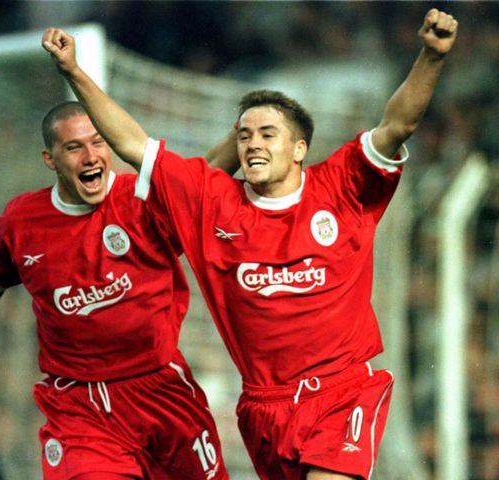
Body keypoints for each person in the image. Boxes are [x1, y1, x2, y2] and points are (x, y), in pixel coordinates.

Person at [40, 7, 458, 479]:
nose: (253, 143)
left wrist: (431, 56)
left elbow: (397, 125)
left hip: (341, 393)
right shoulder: (212, 202)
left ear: (299, 148)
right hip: (264, 406)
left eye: (267, 134)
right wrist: (74, 72)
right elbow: (134, 145)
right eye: (244, 135)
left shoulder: (342, 185)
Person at [0, 99, 238, 477]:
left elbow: (200, 182)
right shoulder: (22, 222)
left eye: (98, 142)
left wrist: (242, 134)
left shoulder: (140, 200)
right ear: (50, 159)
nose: (90, 157)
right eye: (74, 147)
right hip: (80, 408)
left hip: (162, 391)